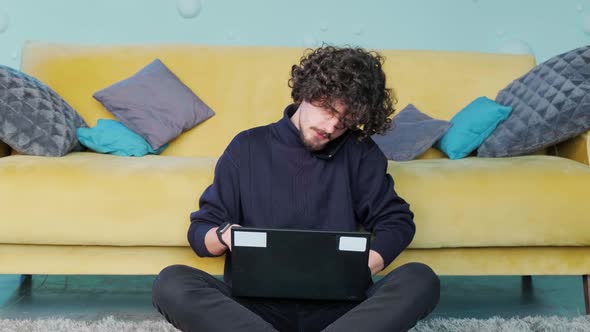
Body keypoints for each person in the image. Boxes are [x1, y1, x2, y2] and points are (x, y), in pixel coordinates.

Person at [152, 45, 440, 332]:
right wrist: (226, 236)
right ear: (306, 92)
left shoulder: (361, 153)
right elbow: (200, 232)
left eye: (345, 121)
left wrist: (361, 268)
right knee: (171, 282)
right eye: (328, 110)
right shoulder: (247, 147)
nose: (331, 127)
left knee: (420, 279)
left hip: (342, 313)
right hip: (254, 311)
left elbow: (397, 221)